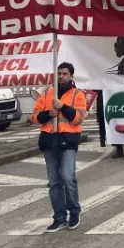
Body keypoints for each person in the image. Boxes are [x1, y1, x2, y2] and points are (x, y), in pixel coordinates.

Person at [31, 62, 88, 233]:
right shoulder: (47, 93)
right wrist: (47, 114)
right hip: (50, 141)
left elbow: (79, 117)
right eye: (59, 73)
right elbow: (34, 117)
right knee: (54, 182)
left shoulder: (78, 94)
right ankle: (59, 217)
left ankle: (74, 211)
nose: (61, 76)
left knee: (68, 177)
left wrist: (62, 107)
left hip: (68, 141)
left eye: (64, 73)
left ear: (71, 75)